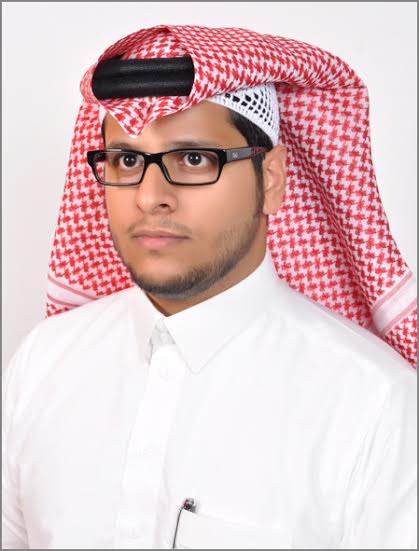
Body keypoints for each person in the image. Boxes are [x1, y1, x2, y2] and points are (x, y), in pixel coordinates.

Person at [2, 24, 416, 549]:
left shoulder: (374, 405)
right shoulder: (43, 364)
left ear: (271, 179)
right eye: (127, 160)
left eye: (194, 159)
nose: (150, 196)